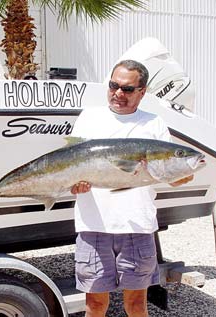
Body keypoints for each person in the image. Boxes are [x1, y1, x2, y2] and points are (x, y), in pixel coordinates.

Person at [70, 60, 193, 317]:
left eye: (127, 89)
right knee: (95, 305)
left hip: (137, 226)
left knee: (137, 304)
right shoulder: (89, 117)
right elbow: (71, 166)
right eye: (114, 85)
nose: (118, 93)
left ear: (142, 91)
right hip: (93, 225)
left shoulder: (154, 123)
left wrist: (180, 175)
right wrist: (75, 185)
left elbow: (166, 171)